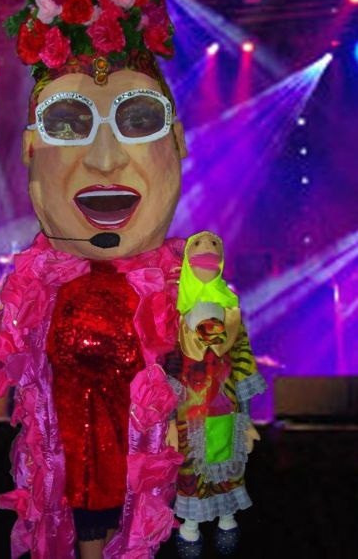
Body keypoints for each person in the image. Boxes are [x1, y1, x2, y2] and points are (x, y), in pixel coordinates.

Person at [0, 0, 188, 559]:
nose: (105, 159)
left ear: (178, 142)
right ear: (31, 150)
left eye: (139, 118)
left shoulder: (182, 288)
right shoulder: (36, 288)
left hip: (155, 498)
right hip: (68, 488)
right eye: (68, 122)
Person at [167, 231, 266, 557]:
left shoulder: (231, 311)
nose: (207, 251)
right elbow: (169, 366)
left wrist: (247, 420)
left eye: (214, 248)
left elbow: (242, 363)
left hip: (225, 406)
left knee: (227, 465)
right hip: (188, 410)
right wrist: (168, 420)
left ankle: (226, 520)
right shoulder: (174, 311)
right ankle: (191, 527)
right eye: (198, 246)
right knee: (191, 469)